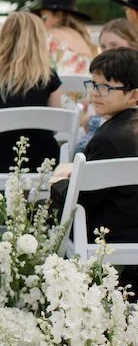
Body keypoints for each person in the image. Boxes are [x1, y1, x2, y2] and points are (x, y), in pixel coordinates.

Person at [52, 47, 138, 294]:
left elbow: (81, 200)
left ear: (133, 95)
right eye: (93, 84)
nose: (95, 94)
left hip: (109, 235)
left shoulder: (108, 138)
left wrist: (58, 184)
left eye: (107, 88)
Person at [0, 11, 63, 172]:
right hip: (45, 160)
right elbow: (55, 126)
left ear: (4, 38)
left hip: (3, 160)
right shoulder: (49, 76)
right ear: (39, 40)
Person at [75, 20, 138, 152]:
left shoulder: (105, 140)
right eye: (103, 46)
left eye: (114, 45)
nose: (95, 93)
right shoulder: (103, 74)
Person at [34, 0, 96, 76]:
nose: (42, 22)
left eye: (44, 17)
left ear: (58, 16)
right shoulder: (85, 40)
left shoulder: (49, 37)